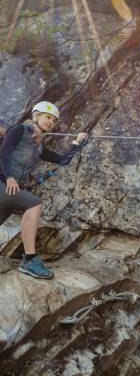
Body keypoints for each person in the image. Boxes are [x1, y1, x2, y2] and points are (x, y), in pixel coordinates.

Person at [0, 101, 87, 279]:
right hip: (3, 183)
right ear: (36, 115)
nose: (50, 122)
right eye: (48, 117)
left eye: (54, 120)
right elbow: (4, 152)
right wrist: (9, 177)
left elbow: (63, 160)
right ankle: (29, 260)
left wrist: (77, 143)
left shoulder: (38, 146)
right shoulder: (19, 130)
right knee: (34, 203)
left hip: (9, 190)